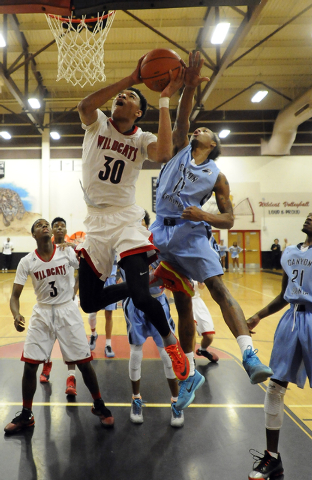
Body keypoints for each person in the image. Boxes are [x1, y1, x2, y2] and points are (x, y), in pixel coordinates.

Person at [150, 51, 273, 410]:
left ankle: (249, 354)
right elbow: (184, 114)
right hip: (161, 232)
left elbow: (230, 219)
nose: (198, 129)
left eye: (206, 130)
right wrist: (188, 86)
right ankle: (188, 373)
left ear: (213, 144)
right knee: (175, 301)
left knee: (218, 287)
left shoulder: (217, 175)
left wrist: (203, 216)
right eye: (197, 128)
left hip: (190, 233)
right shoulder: (178, 150)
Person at [75, 59, 191, 382]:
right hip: (95, 221)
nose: (121, 97)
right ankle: (149, 280)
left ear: (139, 112)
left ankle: (172, 345)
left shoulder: (141, 139)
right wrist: (130, 77)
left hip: (126, 219)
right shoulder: (97, 123)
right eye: (119, 95)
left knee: (140, 299)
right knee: (89, 302)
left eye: (130, 96)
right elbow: (85, 105)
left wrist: (165, 98)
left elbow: (165, 152)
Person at [4, 218, 114, 434]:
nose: (45, 226)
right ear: (34, 235)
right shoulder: (27, 261)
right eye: (39, 225)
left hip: (67, 309)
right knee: (29, 365)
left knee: (84, 362)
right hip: (42, 312)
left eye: (47, 224)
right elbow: (14, 296)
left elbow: (89, 267)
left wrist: (77, 249)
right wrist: (16, 315)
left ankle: (99, 404)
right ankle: (27, 414)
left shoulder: (66, 252)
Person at [247, 212, 312, 480]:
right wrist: (258, 315)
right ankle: (272, 459)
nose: (310, 215)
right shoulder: (289, 253)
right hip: (291, 319)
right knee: (275, 386)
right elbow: (284, 296)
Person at [123, 210, 183, 427]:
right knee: (136, 353)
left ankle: (176, 401)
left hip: (158, 301)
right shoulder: (124, 245)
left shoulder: (159, 244)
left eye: (140, 220)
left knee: (167, 355)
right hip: (135, 305)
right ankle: (135, 399)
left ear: (146, 224)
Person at [39, 217, 79, 396]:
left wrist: (74, 291)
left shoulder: (70, 250)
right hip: (49, 303)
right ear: (53, 230)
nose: (60, 228)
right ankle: (46, 365)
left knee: (70, 340)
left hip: (68, 302)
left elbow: (82, 269)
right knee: (48, 337)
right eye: (56, 226)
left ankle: (71, 377)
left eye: (63, 226)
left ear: (66, 229)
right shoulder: (47, 250)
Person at [88, 258, 118, 358]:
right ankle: (93, 334)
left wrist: (121, 276)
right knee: (92, 313)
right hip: (97, 279)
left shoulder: (115, 244)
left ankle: (108, 345)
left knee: (108, 315)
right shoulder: (98, 243)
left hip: (111, 280)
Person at [193, 281, 219, 363]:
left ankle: (202, 350)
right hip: (184, 301)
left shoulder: (198, 269)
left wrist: (201, 284)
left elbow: (201, 287)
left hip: (197, 301)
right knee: (191, 332)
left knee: (209, 336)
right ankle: (189, 357)